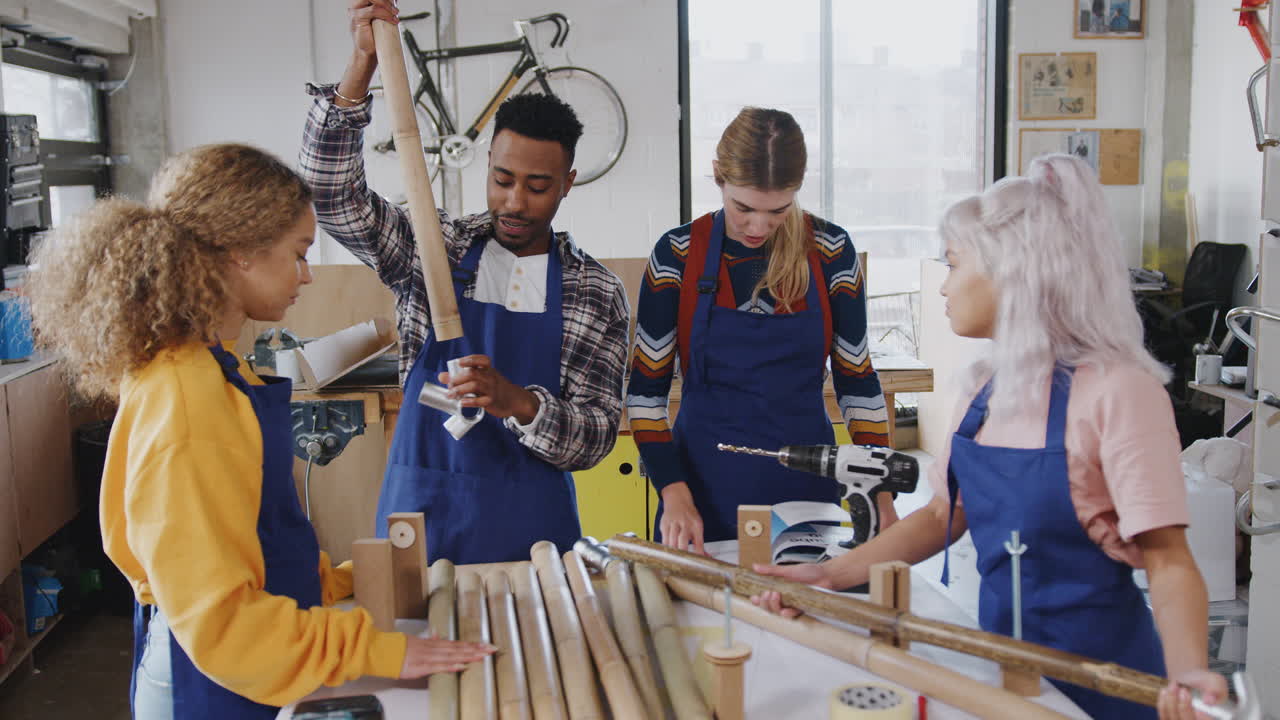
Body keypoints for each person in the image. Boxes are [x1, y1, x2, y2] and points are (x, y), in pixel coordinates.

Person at [24, 144, 494, 720]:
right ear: (242, 251)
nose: (307, 274)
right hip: (212, 676)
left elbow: (250, 534)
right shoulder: (187, 397)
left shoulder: (217, 367)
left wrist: (338, 582)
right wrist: (382, 651)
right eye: (298, 253)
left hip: (244, 661)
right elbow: (220, 620)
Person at [751, 154, 1226, 720]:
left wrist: (1190, 672)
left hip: (1107, 686)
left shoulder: (1119, 391)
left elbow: (1170, 561)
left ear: (1013, 270)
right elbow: (941, 515)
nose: (945, 286)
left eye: (954, 264)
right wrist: (831, 575)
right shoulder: (984, 393)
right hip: (1007, 675)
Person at [299, 0, 630, 565]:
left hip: (536, 540)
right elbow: (330, 196)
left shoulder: (593, 291)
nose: (515, 202)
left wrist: (518, 402)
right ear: (488, 166)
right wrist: (360, 68)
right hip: (421, 522)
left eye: (538, 185)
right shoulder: (435, 249)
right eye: (502, 179)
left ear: (568, 183)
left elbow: (596, 434)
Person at [627, 107, 895, 553]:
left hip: (807, 490)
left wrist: (879, 489)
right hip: (700, 492)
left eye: (777, 211)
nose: (758, 226)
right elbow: (644, 395)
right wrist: (672, 491)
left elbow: (858, 382)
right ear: (717, 177)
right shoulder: (677, 254)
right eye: (743, 208)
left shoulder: (831, 252)